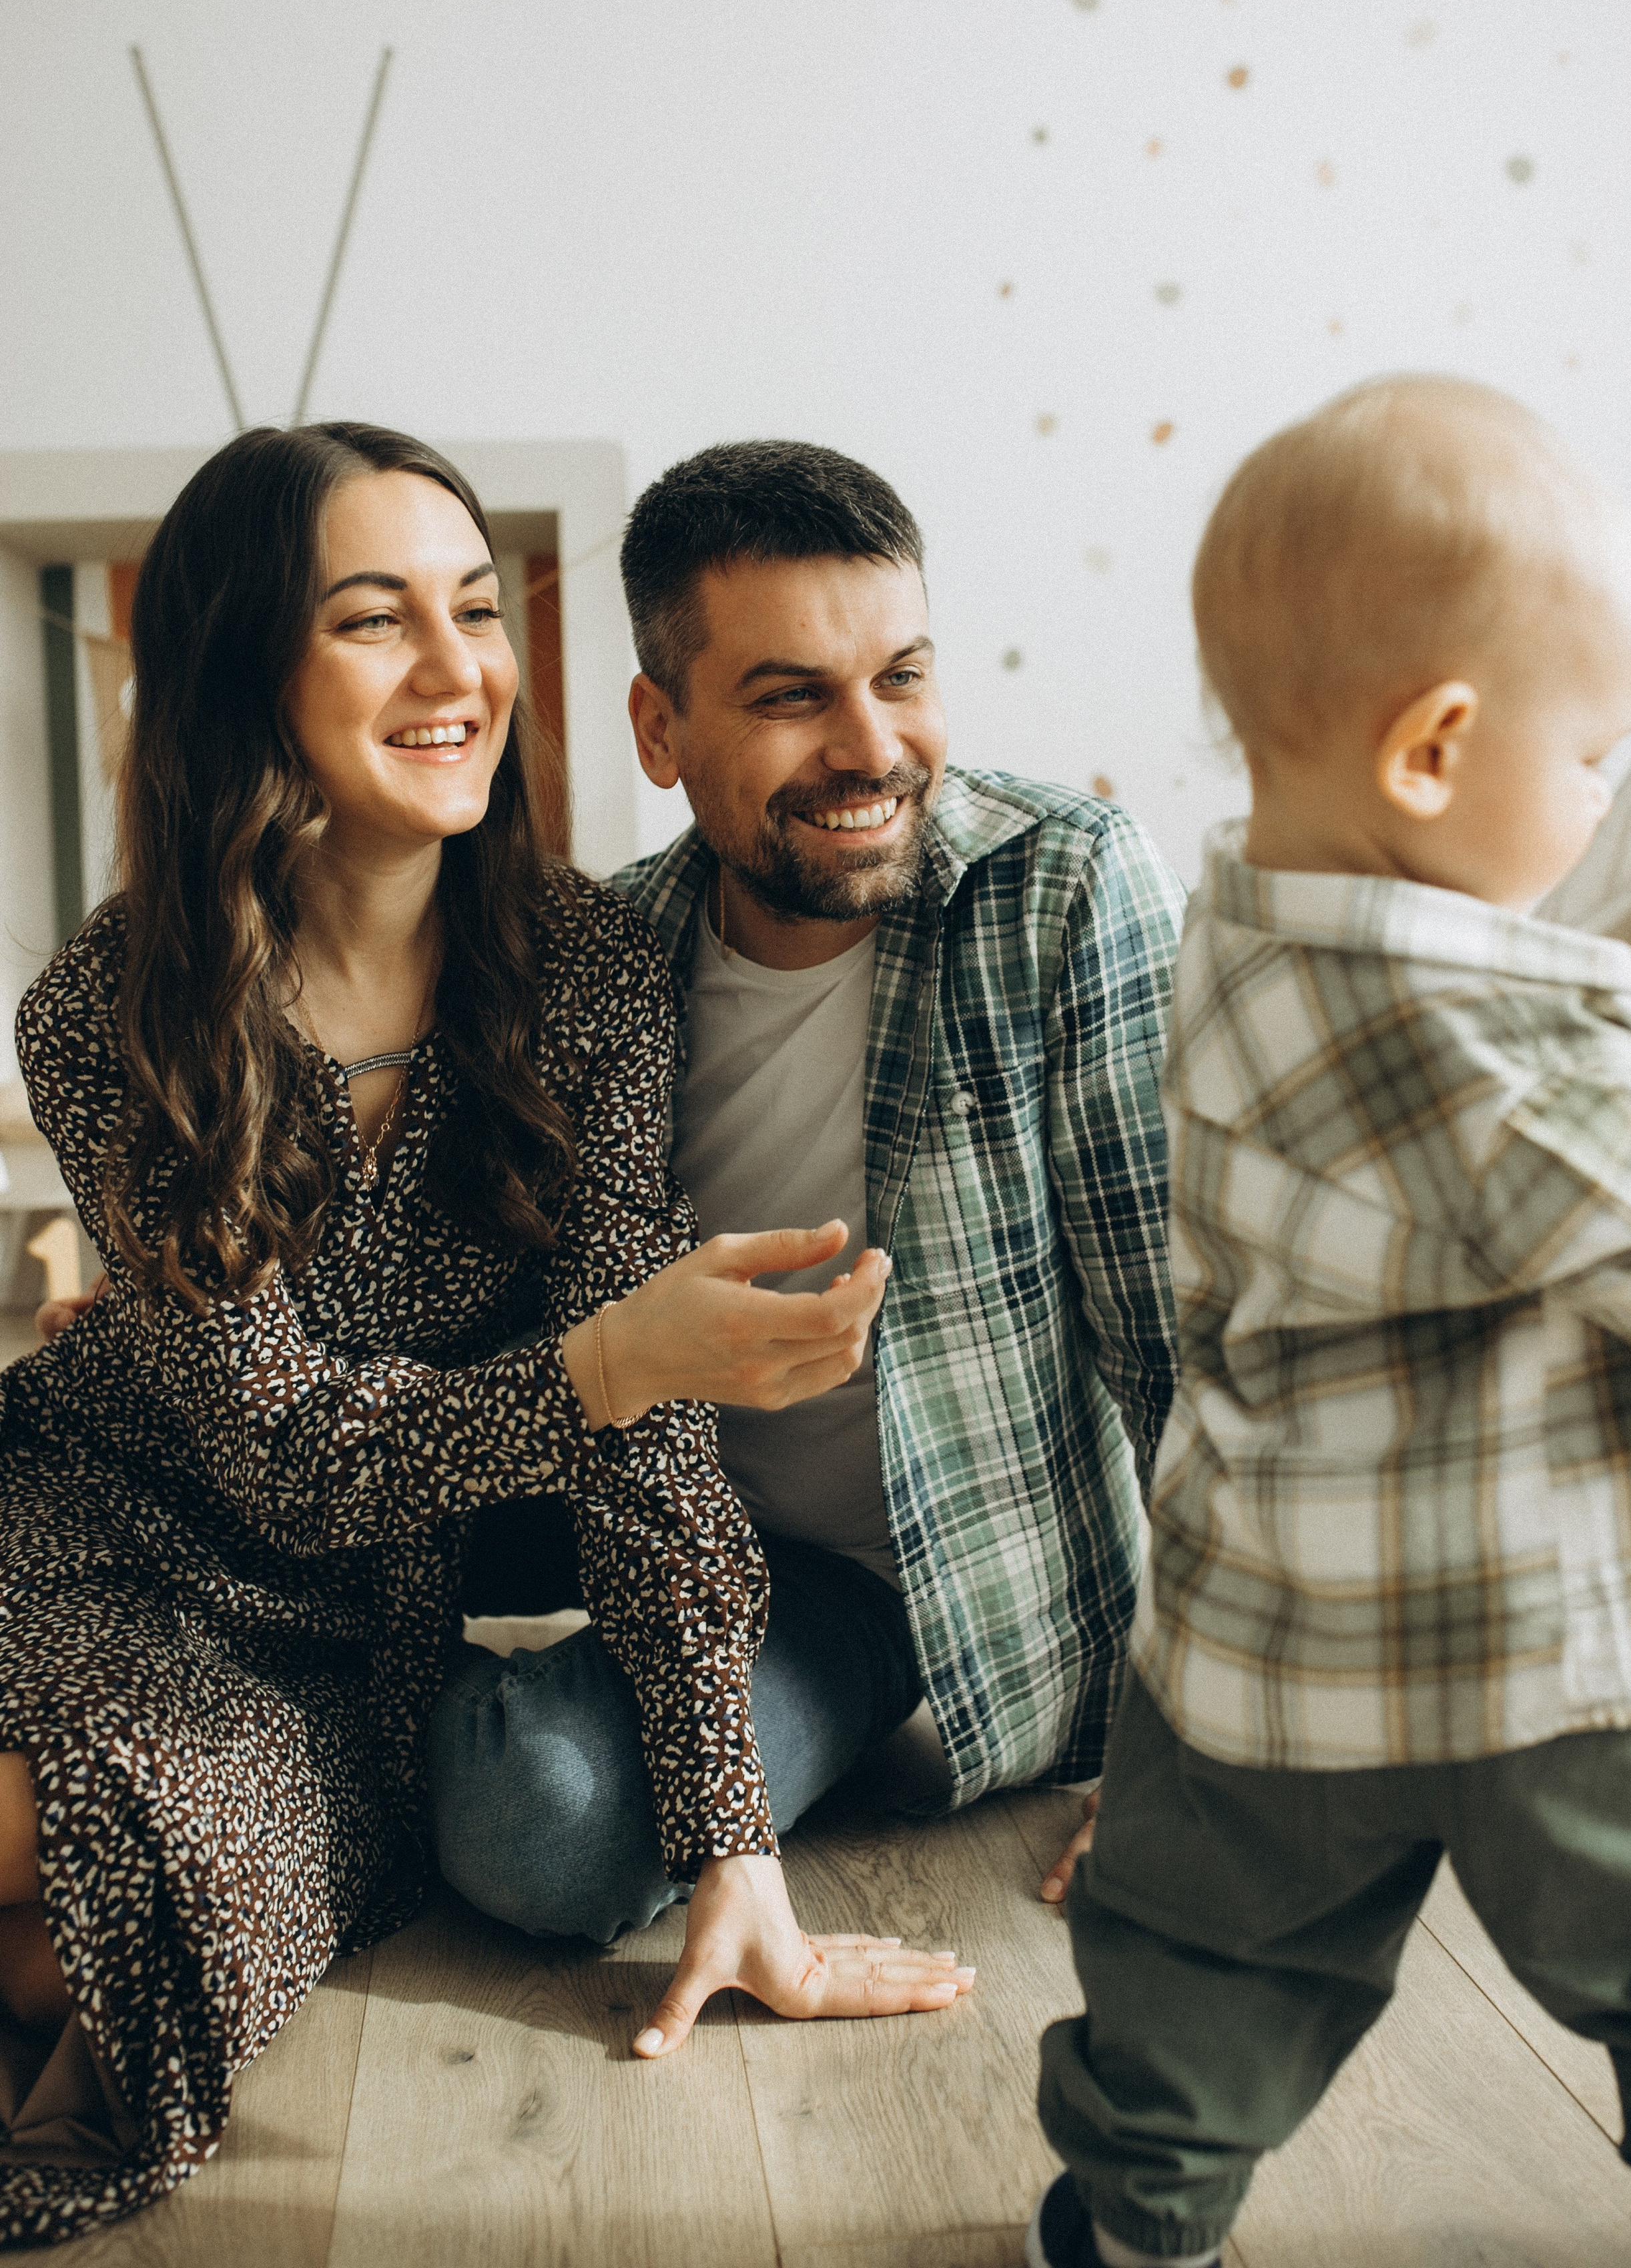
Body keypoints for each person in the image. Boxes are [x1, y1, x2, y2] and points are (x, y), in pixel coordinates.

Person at [0, 424, 970, 2248]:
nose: (459, 672)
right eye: (377, 621)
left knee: (128, 1907)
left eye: (476, 609)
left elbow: (651, 1449)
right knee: (41, 1826)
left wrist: (732, 1853)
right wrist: (615, 1363)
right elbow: (284, 1451)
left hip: (351, 1629)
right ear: (241, 670)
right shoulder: (107, 1008)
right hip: (91, 1526)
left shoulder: (583, 971)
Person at [1030, 376, 1631, 2268]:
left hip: (1269, 1654)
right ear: (1433, 751)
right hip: (1568, 1663)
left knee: (1198, 1959)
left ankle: (1139, 2211)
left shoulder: (1237, 943)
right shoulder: (1492, 1038)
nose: (1603, 803)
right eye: (1593, 759)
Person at [431, 438, 1183, 1942]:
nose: (870, 747)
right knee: (505, 1792)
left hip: (938, 1577)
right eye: (791, 698)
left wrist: (1210, 1737)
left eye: (901, 677)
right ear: (661, 730)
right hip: (690, 1548)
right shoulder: (602, 956)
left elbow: (1183, 1342)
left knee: (537, 1823)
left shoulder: (1063, 885)